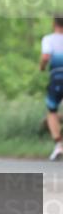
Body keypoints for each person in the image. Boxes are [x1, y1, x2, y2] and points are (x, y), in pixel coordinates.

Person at [41, 17, 63, 161]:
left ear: (53, 23)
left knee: (52, 111)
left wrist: (42, 67)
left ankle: (59, 145)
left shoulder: (49, 39)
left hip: (57, 77)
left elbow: (46, 56)